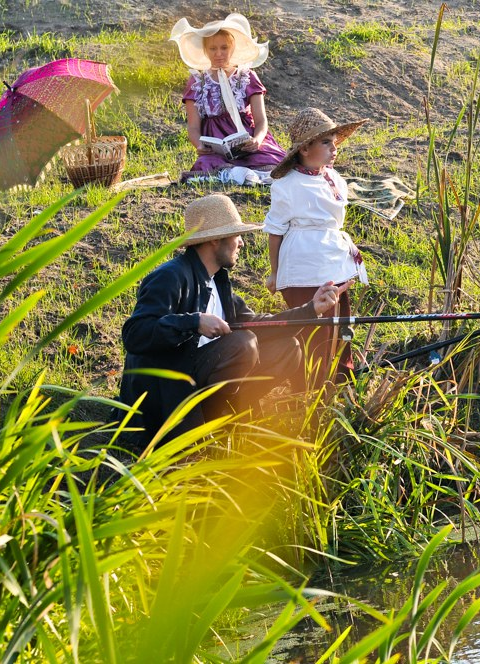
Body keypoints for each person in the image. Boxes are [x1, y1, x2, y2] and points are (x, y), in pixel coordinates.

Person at [119, 193, 347, 449]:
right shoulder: (170, 277)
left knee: (287, 347)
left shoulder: (217, 280)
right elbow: (135, 334)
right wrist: (194, 322)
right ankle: (200, 429)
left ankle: (227, 421)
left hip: (197, 378)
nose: (241, 243)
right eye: (236, 235)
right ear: (216, 240)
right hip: (164, 398)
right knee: (242, 344)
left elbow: (257, 324)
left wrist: (311, 309)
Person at [263, 107, 368, 381]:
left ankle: (341, 378)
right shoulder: (287, 185)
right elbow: (275, 231)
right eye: (326, 142)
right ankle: (312, 384)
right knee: (315, 329)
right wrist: (275, 272)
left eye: (334, 142)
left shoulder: (333, 177)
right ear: (306, 149)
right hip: (305, 262)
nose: (334, 149)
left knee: (340, 323)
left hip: (334, 256)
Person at [170, 13, 286, 179]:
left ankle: (247, 173)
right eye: (212, 48)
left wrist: (257, 141)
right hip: (216, 148)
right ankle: (238, 174)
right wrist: (199, 145)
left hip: (247, 142)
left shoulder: (246, 77)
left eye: (224, 48)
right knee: (207, 165)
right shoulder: (197, 82)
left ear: (232, 48)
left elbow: (261, 120)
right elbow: (193, 127)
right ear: (205, 50)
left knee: (270, 160)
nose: (218, 54)